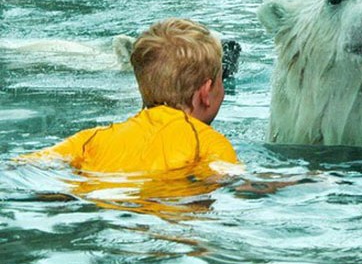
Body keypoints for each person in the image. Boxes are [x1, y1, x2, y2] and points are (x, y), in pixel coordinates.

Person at [21, 18, 241, 217]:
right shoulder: (208, 142)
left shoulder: (92, 137)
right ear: (205, 93)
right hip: (166, 214)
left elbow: (22, 167)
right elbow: (233, 182)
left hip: (94, 203)